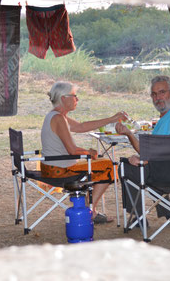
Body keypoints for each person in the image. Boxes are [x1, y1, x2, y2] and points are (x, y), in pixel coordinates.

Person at [41, 81, 128, 224]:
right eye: (74, 96)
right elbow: (72, 150)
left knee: (103, 164)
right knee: (109, 166)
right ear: (63, 98)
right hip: (59, 170)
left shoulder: (57, 116)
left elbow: (81, 126)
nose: (77, 99)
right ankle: (89, 210)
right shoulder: (58, 118)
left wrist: (112, 119)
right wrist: (88, 152)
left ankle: (88, 207)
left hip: (54, 166)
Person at [115, 75, 170, 226]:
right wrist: (128, 134)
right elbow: (149, 151)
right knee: (140, 166)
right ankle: (169, 213)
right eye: (154, 94)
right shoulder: (168, 116)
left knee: (127, 168)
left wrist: (144, 161)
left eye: (162, 92)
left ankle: (138, 218)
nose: (157, 97)